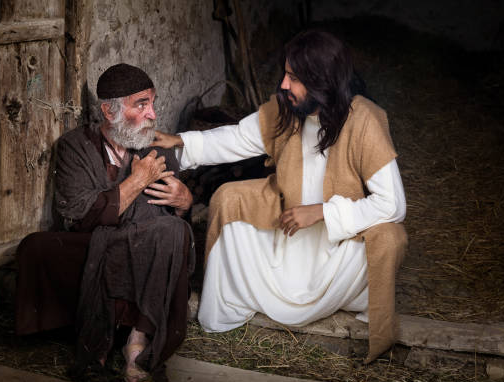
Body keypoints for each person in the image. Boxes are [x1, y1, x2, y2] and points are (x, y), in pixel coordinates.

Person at [153, 29, 408, 363]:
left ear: (322, 81)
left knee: (389, 236)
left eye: (294, 77)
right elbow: (236, 138)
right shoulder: (286, 110)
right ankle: (239, 299)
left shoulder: (364, 120)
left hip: (338, 253)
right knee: (229, 197)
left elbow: (393, 204)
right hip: (286, 242)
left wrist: (322, 212)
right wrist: (181, 143)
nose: (284, 85)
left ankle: (343, 297)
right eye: (285, 74)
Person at [15, 63, 194, 382]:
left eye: (153, 102)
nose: (153, 114)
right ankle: (96, 345)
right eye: (141, 104)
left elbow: (170, 221)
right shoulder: (73, 147)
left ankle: (137, 344)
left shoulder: (158, 147)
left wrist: (185, 201)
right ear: (109, 111)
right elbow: (80, 216)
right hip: (92, 247)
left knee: (173, 232)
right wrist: (138, 180)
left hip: (142, 245)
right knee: (39, 246)